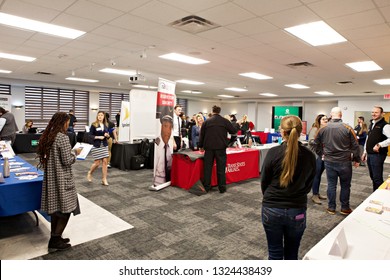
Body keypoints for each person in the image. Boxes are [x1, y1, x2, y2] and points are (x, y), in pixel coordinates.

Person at [261, 115, 316, 260]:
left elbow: (264, 182)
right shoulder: (310, 155)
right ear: (300, 132)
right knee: (292, 254)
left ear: (282, 132)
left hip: (272, 208)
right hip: (297, 208)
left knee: (274, 253)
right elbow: (309, 184)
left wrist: (270, 196)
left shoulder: (273, 152)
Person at [37, 112, 82, 252]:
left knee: (56, 210)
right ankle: (55, 240)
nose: (68, 124)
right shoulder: (62, 137)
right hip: (62, 178)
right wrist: (76, 153)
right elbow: (67, 160)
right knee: (66, 210)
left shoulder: (49, 136)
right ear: (63, 122)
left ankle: (55, 237)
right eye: (67, 122)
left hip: (52, 177)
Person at [313, 107, 360, 216]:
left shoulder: (323, 128)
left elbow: (314, 143)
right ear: (341, 115)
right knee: (345, 185)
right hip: (345, 161)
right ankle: (344, 208)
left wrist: (321, 154)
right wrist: (356, 159)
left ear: (331, 115)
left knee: (331, 185)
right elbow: (355, 146)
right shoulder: (347, 128)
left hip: (329, 161)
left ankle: (331, 208)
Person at [198, 105, 237, 193]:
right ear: (219, 111)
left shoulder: (206, 122)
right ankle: (222, 188)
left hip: (209, 148)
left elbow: (202, 135)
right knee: (221, 168)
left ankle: (207, 187)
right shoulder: (225, 121)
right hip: (221, 148)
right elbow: (234, 131)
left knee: (207, 168)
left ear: (212, 111)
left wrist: (200, 146)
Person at [362, 106, 390, 192]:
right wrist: (364, 152)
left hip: (378, 155)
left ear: (382, 114)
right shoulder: (372, 124)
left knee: (377, 178)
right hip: (370, 154)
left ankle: (380, 196)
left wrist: (379, 145)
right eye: (373, 112)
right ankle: (375, 193)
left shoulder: (385, 125)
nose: (373, 114)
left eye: (376, 112)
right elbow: (368, 139)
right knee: (373, 176)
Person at [308, 114, 328, 204]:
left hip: (324, 155)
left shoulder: (326, 129)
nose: (325, 120)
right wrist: (320, 141)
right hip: (316, 155)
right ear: (319, 120)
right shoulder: (315, 129)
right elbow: (311, 141)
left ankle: (317, 193)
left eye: (326, 119)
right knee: (316, 175)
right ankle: (314, 195)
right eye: (323, 119)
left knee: (319, 175)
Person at [87, 111, 110, 186]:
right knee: (97, 163)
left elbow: (108, 136)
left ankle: (104, 179)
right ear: (97, 116)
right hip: (96, 145)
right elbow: (90, 135)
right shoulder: (94, 125)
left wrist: (107, 135)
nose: (100, 116)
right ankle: (90, 172)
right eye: (99, 115)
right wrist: (98, 137)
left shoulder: (106, 125)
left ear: (104, 117)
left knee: (105, 162)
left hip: (104, 145)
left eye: (101, 115)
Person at [154, 115, 174, 186]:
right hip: (158, 182)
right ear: (161, 127)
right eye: (165, 126)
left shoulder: (169, 146)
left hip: (168, 182)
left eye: (170, 128)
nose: (168, 131)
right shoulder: (157, 144)